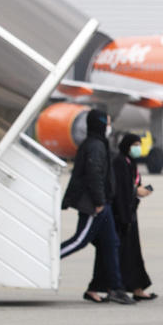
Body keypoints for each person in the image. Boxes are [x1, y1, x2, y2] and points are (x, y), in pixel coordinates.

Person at [58, 108, 134, 305]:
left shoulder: (98, 144)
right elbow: (94, 175)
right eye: (108, 123)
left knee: (111, 244)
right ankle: (48, 260)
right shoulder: (95, 147)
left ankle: (114, 288)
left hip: (104, 204)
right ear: (101, 124)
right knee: (79, 241)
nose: (110, 127)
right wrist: (99, 202)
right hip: (95, 205)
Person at [107, 133, 155, 300]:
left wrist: (140, 190)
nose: (137, 148)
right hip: (121, 214)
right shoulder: (119, 162)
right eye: (135, 144)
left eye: (139, 144)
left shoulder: (131, 162)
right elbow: (120, 188)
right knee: (124, 253)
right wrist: (136, 191)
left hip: (130, 212)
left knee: (133, 253)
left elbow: (133, 183)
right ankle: (120, 287)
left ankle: (137, 288)